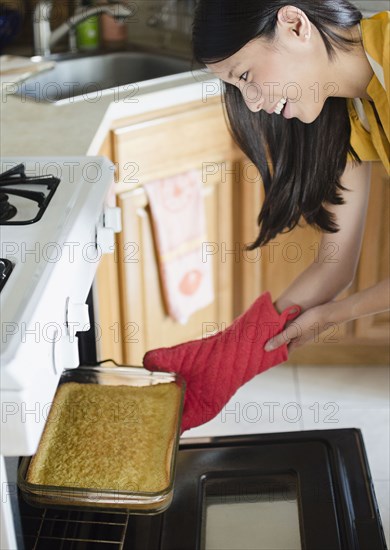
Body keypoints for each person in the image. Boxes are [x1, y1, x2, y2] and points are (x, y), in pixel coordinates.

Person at [191, 0, 389, 352]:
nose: (251, 103)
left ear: (295, 25)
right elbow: (334, 265)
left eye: (245, 75)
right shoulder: (352, 108)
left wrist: (335, 315)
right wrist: (229, 355)